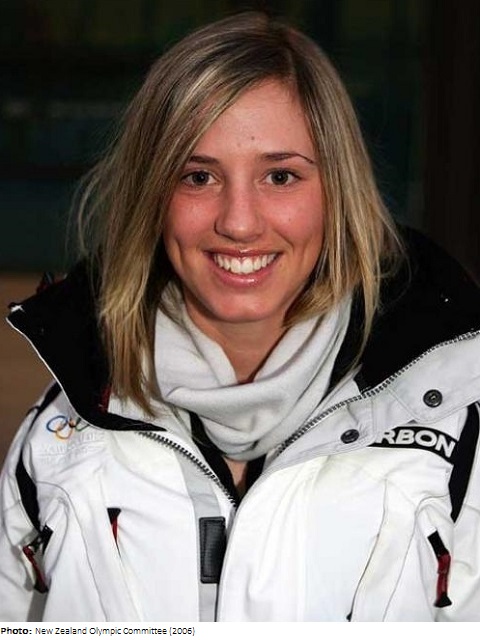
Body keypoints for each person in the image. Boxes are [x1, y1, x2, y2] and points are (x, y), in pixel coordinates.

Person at [1, 11, 480, 623]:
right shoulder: (60, 437)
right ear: (152, 196)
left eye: (280, 176)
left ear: (337, 191)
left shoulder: (456, 419)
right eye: (198, 176)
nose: (239, 222)